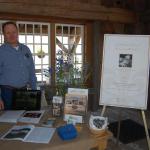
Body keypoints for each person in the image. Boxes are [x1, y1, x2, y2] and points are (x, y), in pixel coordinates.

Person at [0, 21, 37, 110]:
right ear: (4, 34)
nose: (12, 35)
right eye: (8, 33)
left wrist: (34, 91)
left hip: (24, 92)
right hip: (7, 93)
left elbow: (31, 72)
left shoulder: (26, 49)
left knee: (24, 119)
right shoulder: (1, 51)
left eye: (14, 32)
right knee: (9, 122)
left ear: (17, 32)